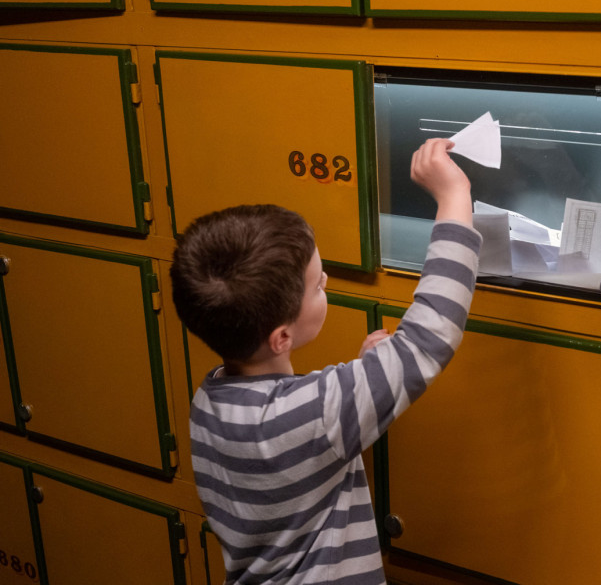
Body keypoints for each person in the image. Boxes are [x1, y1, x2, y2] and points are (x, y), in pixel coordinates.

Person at [170, 138, 481, 585]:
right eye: (317, 285)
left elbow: (303, 427)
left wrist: (364, 375)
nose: (327, 281)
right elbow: (430, 336)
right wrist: (454, 196)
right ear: (281, 338)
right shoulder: (319, 416)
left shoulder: (208, 402)